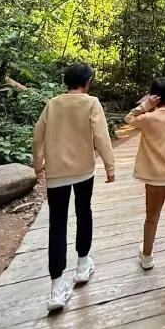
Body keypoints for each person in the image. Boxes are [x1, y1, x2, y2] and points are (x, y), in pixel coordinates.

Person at [32, 61, 115, 312]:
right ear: (88, 82)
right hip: (83, 171)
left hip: (57, 173)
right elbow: (101, 135)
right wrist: (110, 166)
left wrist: (39, 165)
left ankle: (57, 288)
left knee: (57, 224)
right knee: (83, 213)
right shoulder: (91, 103)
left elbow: (38, 136)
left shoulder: (52, 104)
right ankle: (82, 265)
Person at [124, 76, 165, 292]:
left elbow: (128, 118)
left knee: (151, 218)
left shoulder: (148, 118)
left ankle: (148, 256)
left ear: (153, 96)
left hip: (154, 179)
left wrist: (145, 105)